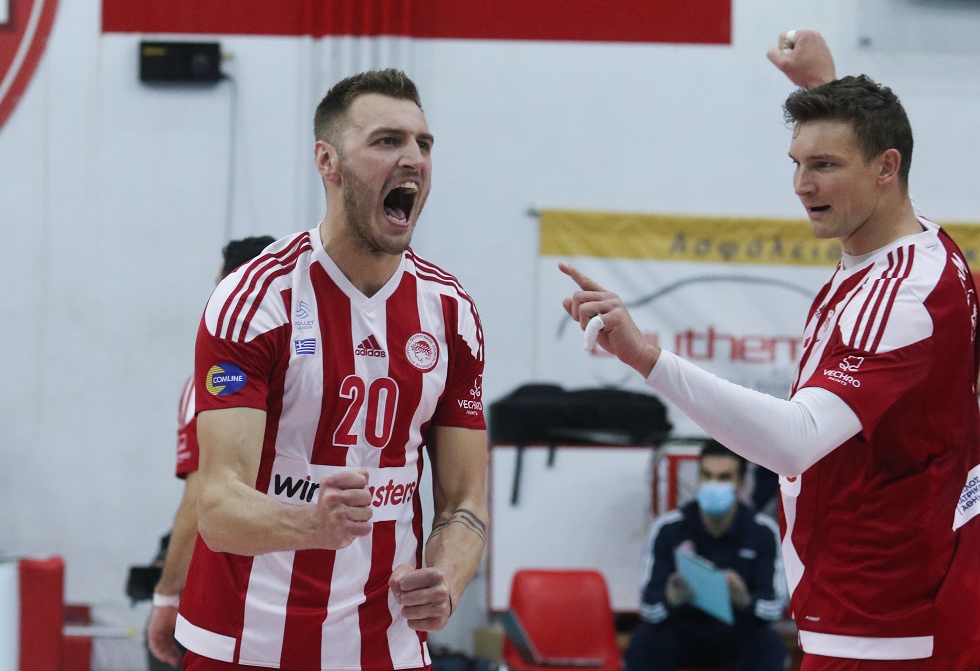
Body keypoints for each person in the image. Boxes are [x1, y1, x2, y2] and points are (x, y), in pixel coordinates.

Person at [562, 73, 980, 667]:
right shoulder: (924, 245)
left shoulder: (903, 297)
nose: (802, 185)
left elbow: (793, 441)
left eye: (825, 165)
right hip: (893, 595)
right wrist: (827, 83)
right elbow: (877, 155)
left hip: (886, 614)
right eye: (798, 163)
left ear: (886, 167)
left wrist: (646, 359)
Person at [174, 69, 489, 671]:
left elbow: (465, 500)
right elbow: (216, 508)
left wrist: (448, 577)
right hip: (248, 641)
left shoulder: (451, 313)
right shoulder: (256, 301)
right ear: (327, 161)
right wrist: (312, 524)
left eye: (423, 143)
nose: (413, 159)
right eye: (387, 141)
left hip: (388, 644)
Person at [146, 235, 276, 670]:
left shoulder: (218, 375)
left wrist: (166, 596)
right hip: (324, 594)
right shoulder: (319, 370)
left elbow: (199, 500)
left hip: (236, 600)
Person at [625, 440, 788, 671]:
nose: (713, 484)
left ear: (741, 483)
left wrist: (745, 601)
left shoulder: (762, 532)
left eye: (724, 478)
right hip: (682, 630)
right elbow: (648, 605)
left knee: (769, 645)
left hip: (738, 633)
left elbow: (774, 605)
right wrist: (670, 599)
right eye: (707, 475)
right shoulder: (668, 528)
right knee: (644, 642)